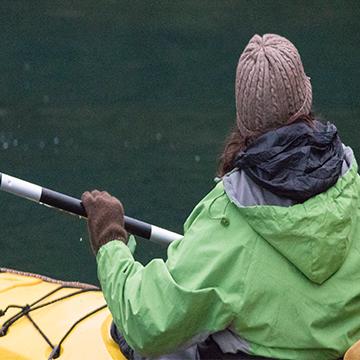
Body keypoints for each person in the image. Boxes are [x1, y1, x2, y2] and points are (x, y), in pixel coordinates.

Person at [82, 34, 360, 360]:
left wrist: (111, 242)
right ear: (305, 102)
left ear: (244, 120)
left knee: (150, 345)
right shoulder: (353, 186)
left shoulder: (228, 223)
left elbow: (146, 324)